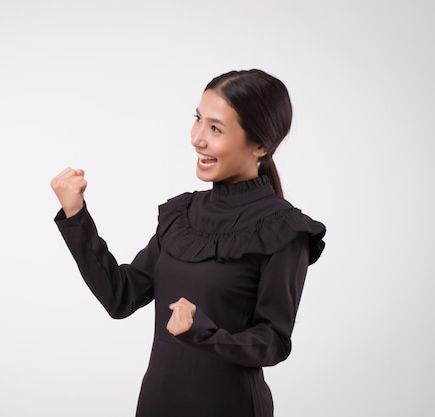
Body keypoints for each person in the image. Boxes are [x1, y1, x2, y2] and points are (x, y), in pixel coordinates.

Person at [50, 69, 326, 417]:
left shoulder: (283, 230)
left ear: (260, 145)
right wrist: (75, 215)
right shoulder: (182, 215)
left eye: (216, 128)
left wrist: (204, 333)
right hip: (157, 404)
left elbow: (274, 342)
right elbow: (120, 297)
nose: (197, 138)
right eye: (198, 119)